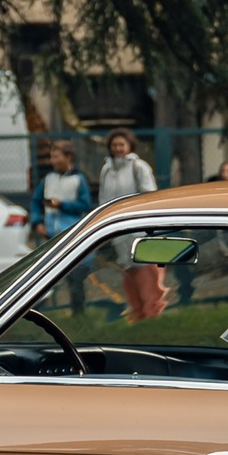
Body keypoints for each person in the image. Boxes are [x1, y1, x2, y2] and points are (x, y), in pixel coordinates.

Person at [96, 128, 164, 321]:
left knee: (145, 271)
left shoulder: (139, 166)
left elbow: (149, 195)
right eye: (114, 145)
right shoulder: (106, 170)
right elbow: (104, 199)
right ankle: (137, 313)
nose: (118, 148)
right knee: (127, 270)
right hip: (118, 230)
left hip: (138, 229)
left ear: (129, 146)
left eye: (121, 145)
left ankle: (152, 313)